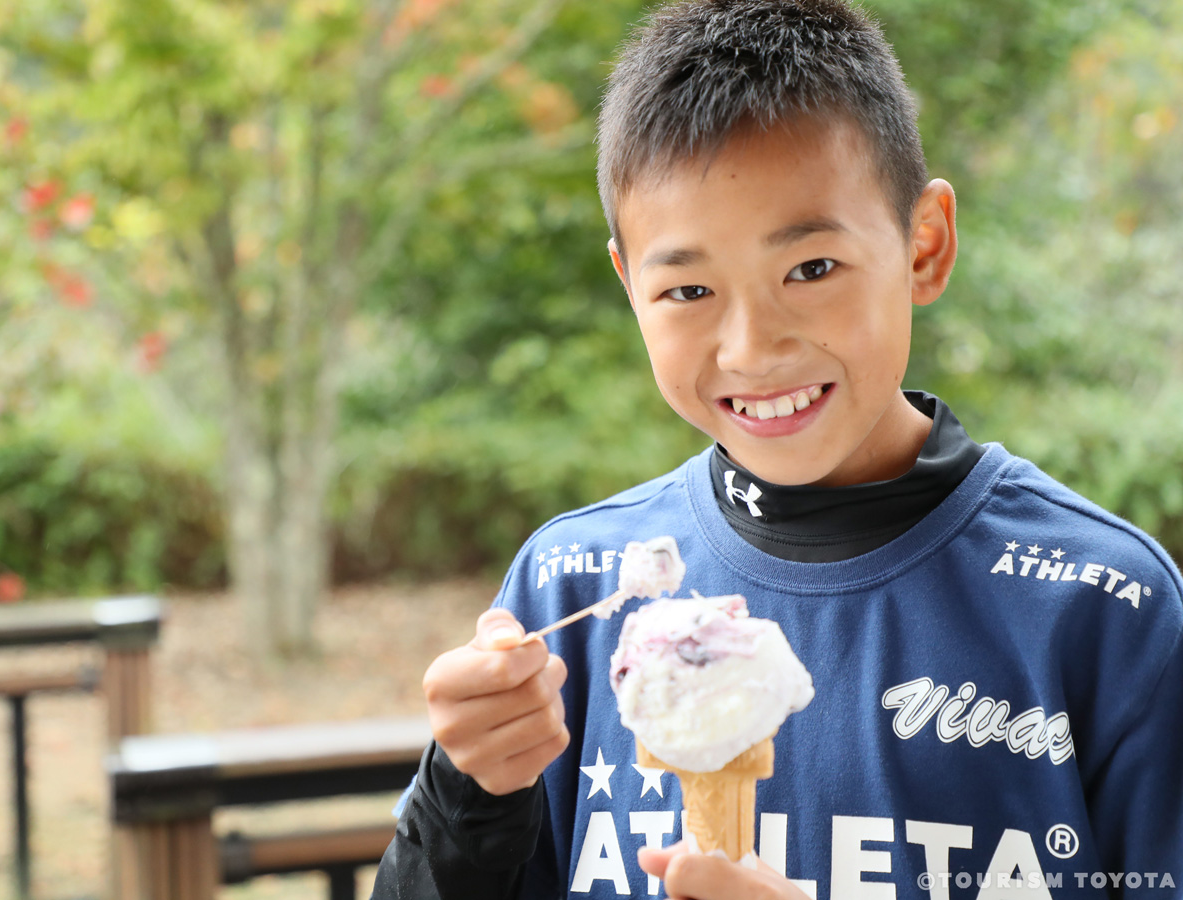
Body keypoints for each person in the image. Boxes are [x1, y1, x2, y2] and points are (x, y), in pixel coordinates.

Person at [373, 0, 1183, 897]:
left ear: (925, 245)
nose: (751, 349)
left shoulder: (1103, 605)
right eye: (687, 290)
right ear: (628, 286)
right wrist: (467, 789)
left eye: (810, 269)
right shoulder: (571, 585)